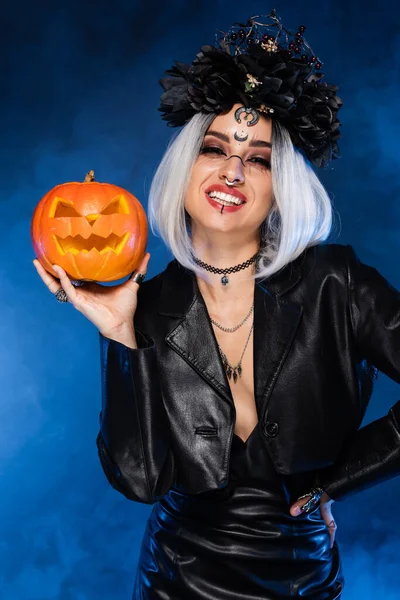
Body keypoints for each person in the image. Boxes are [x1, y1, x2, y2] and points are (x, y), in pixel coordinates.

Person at [33, 11, 400, 600]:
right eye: (215, 148)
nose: (232, 171)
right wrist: (119, 336)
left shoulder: (340, 283)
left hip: (302, 575)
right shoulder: (146, 305)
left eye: (257, 158)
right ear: (186, 164)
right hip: (178, 577)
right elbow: (140, 480)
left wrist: (340, 478)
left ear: (282, 183)